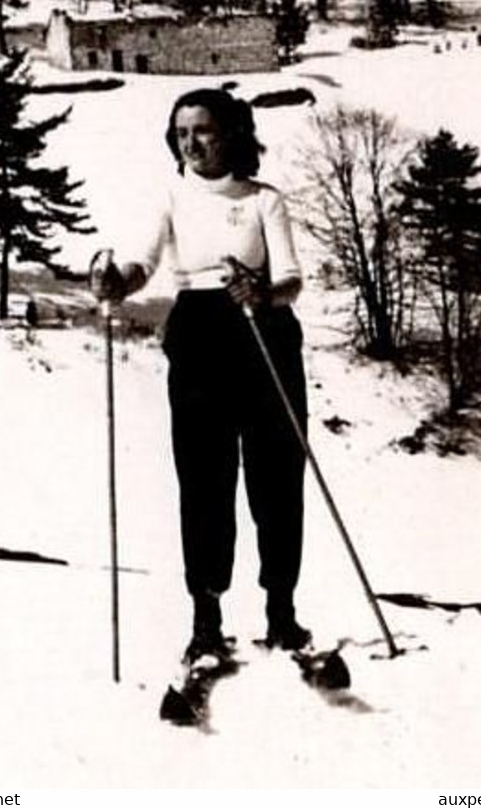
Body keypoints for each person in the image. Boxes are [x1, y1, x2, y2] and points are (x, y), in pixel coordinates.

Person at [92, 87, 310, 663]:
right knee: (205, 478)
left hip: (264, 332)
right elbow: (143, 261)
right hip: (200, 336)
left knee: (277, 477)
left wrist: (264, 291)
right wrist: (119, 279)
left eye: (203, 130)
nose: (192, 143)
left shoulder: (265, 200)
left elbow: (291, 278)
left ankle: (281, 613)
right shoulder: (172, 195)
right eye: (181, 133)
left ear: (232, 133)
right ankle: (206, 618)